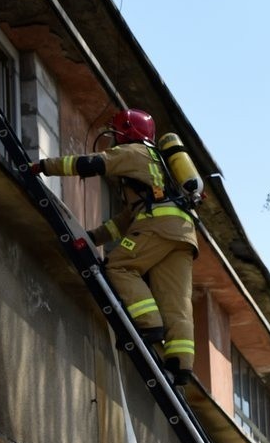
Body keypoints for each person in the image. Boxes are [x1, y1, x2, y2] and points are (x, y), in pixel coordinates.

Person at [31, 109, 198, 385]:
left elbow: (91, 164)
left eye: (116, 132)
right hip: (183, 233)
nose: (112, 138)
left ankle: (149, 325)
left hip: (158, 224)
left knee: (120, 266)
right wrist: (90, 236)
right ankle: (180, 365)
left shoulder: (133, 153)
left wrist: (43, 167)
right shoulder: (161, 166)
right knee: (176, 301)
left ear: (127, 132)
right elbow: (125, 220)